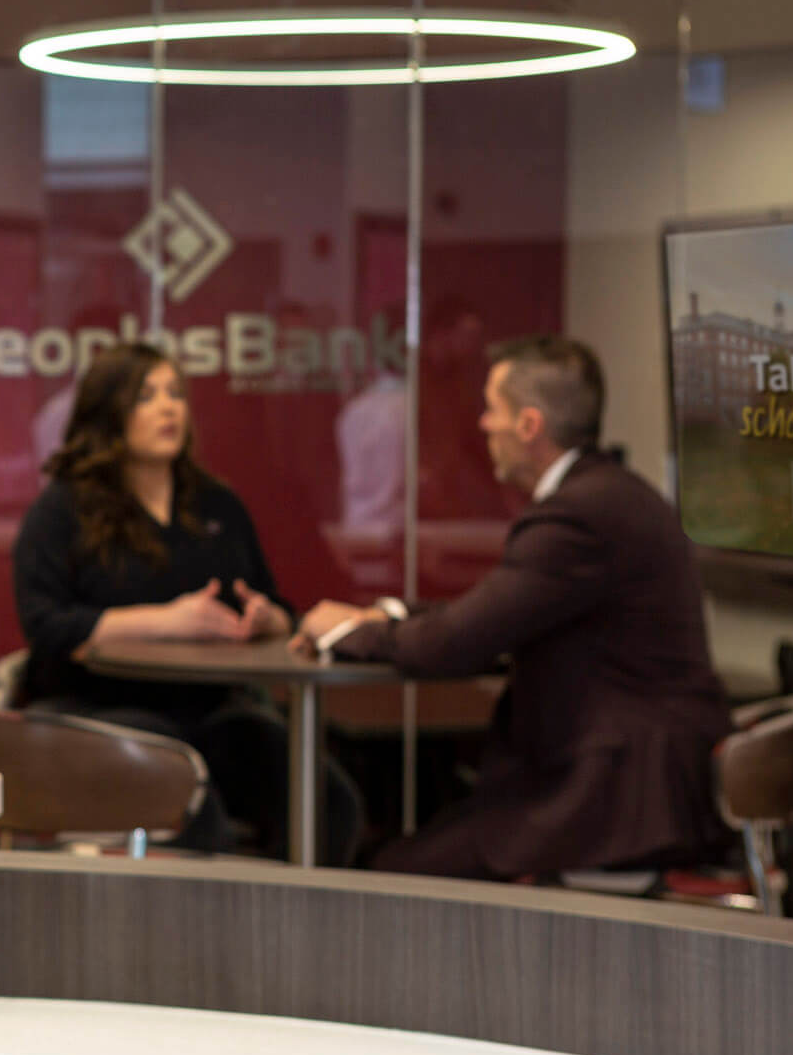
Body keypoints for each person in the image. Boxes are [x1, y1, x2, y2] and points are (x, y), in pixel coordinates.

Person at [292, 336, 732, 879]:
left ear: (528, 426)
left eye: (491, 409)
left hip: (613, 798)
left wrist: (342, 633)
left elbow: (454, 643)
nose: (481, 425)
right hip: (628, 781)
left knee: (392, 875)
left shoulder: (577, 516)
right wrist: (384, 616)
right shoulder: (612, 494)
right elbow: (495, 611)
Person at [11, 342, 363, 861]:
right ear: (108, 411)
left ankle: (287, 925)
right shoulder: (62, 509)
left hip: (211, 711)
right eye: (146, 396)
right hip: (97, 711)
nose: (168, 407)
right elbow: (46, 625)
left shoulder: (218, 504)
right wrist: (167, 621)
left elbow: (276, 603)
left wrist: (269, 619)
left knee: (330, 802)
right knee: (191, 803)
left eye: (175, 394)